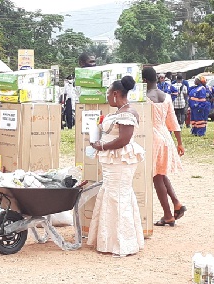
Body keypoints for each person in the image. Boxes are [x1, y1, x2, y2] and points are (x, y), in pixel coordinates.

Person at [87, 75, 145, 256]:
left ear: (116, 93)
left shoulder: (128, 113)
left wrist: (102, 146)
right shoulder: (120, 111)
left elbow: (124, 139)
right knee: (113, 195)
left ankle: (122, 243)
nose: (106, 96)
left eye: (108, 93)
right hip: (113, 161)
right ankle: (109, 241)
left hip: (120, 161)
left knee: (117, 196)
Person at [142, 67, 186, 226]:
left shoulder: (144, 98)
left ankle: (168, 215)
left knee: (156, 176)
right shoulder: (166, 96)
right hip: (166, 136)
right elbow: (173, 121)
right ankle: (176, 203)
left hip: (152, 137)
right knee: (160, 173)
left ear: (144, 80)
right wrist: (179, 143)